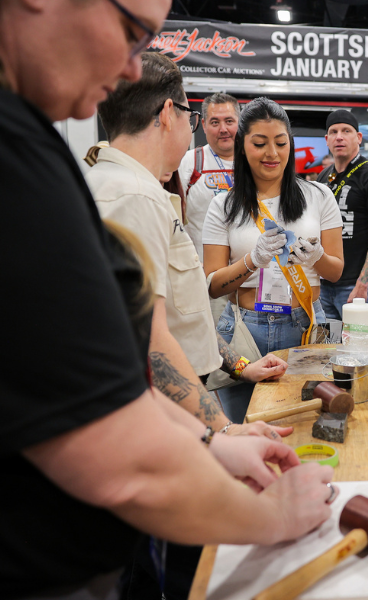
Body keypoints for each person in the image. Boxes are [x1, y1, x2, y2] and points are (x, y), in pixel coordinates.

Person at [0, 1, 334, 599]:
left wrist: (210, 439)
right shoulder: (117, 191)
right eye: (131, 33)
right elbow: (136, 375)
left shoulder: (55, 155)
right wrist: (270, 515)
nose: (130, 69)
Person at [89, 52, 288, 434]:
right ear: (168, 113)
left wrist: (242, 367)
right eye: (194, 118)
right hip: (162, 414)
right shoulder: (135, 198)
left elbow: (181, 315)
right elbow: (151, 337)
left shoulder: (126, 187)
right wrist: (223, 431)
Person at [204, 97, 345, 423]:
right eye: (260, 143)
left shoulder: (318, 196)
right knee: (245, 426)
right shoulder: (223, 205)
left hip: (309, 323)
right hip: (243, 330)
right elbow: (211, 285)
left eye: (281, 143)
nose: (272, 153)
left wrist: (318, 256)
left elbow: (336, 272)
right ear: (242, 146)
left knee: (309, 422)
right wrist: (252, 260)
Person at [317, 110, 368, 319]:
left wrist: (363, 284)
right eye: (333, 132)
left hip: (356, 284)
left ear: (358, 138)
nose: (339, 136)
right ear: (327, 140)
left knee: (357, 346)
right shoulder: (324, 177)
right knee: (325, 348)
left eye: (346, 131)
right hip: (324, 285)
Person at [178, 92, 239, 261]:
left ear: (240, 123)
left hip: (247, 275)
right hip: (200, 275)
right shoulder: (188, 162)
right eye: (215, 122)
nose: (223, 129)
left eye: (229, 121)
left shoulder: (254, 163)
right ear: (203, 125)